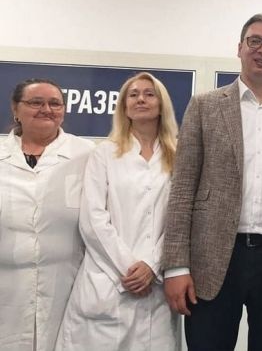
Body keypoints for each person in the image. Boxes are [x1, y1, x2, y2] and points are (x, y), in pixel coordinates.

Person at [163, 13, 262, 351]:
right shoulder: (204, 106)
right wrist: (175, 265)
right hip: (213, 258)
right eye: (255, 41)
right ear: (240, 48)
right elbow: (182, 189)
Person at [55, 72, 181, 350]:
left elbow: (180, 220)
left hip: (157, 284)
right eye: (133, 95)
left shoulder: (178, 154)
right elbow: (93, 218)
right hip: (109, 278)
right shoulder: (104, 153)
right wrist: (129, 267)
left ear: (162, 104)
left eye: (149, 94)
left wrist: (151, 265)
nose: (140, 99)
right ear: (124, 107)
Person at [0, 78, 95, 351]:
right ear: (16, 109)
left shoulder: (86, 153)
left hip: (67, 283)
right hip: (6, 285)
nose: (46, 109)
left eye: (55, 103)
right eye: (35, 102)